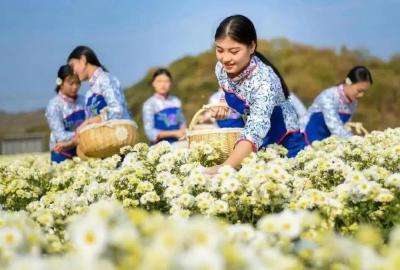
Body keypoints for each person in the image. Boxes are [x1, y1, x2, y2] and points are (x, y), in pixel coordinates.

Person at [207, 15, 306, 174]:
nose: (225, 58)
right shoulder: (221, 68)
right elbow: (227, 89)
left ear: (252, 47)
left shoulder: (264, 80)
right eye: (219, 50)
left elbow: (255, 129)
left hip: (284, 141)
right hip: (256, 142)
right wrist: (223, 104)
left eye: (234, 51)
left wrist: (224, 168)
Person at [302, 66, 372, 144]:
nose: (361, 95)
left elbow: (346, 126)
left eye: (364, 92)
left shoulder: (353, 101)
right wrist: (355, 141)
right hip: (306, 138)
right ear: (348, 82)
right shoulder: (329, 96)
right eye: (359, 91)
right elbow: (334, 125)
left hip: (327, 141)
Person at [67, 46, 131, 130]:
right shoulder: (89, 94)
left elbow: (117, 111)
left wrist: (90, 122)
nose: (73, 72)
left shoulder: (106, 79)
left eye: (72, 66)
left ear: (83, 60)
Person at [45, 65, 85, 163]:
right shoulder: (54, 106)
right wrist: (84, 135)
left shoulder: (84, 101)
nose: (75, 87)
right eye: (71, 83)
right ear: (60, 82)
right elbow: (60, 136)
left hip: (82, 152)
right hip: (62, 155)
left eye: (77, 83)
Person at [142, 68, 186, 144]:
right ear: (153, 83)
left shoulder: (176, 101)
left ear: (171, 83)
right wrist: (174, 133)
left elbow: (182, 123)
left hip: (179, 144)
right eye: (159, 81)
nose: (163, 84)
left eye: (166, 81)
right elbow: (150, 132)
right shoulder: (150, 104)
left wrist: (184, 131)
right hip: (159, 147)